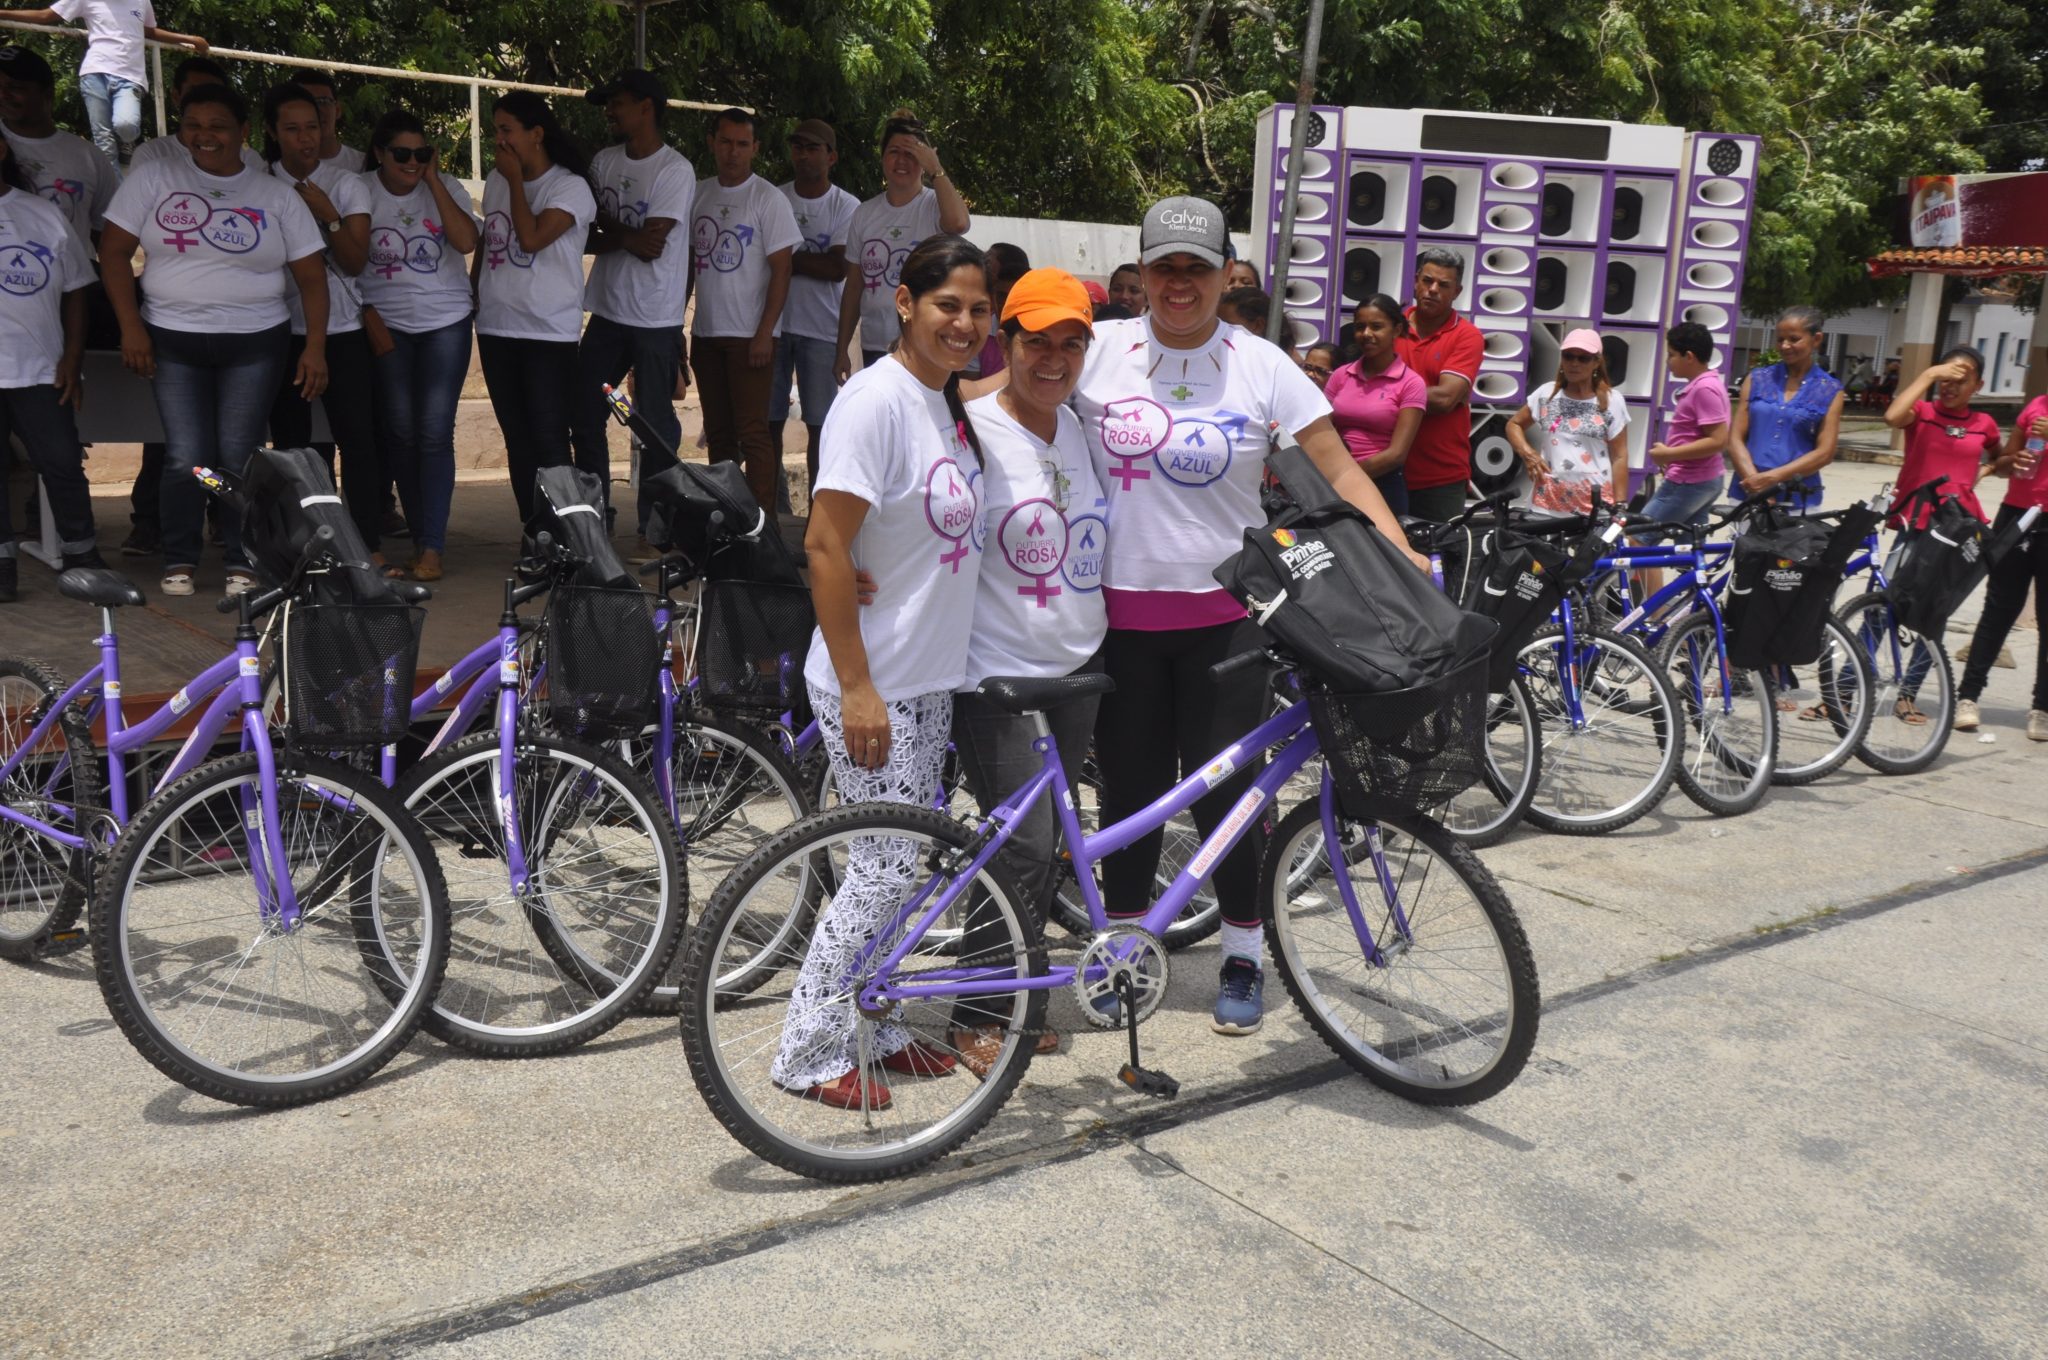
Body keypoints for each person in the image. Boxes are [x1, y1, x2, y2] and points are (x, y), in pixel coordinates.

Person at [1068, 196, 1422, 1036]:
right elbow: (1001, 406)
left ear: (1226, 273)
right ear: (1141, 271)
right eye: (1163, 267)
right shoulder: (1097, 351)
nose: (1178, 283)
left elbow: (1339, 472)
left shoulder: (1263, 365)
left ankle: (1241, 954)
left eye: (1196, 268)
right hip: (1116, 622)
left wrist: (1401, 550)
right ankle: (1126, 951)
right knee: (1129, 796)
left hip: (1228, 623)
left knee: (1229, 800)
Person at [776, 236, 992, 1110]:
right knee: (881, 870)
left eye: (978, 310)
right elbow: (825, 543)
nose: (964, 324)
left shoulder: (943, 400)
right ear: (904, 303)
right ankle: (807, 1048)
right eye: (948, 306)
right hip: (874, 681)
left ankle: (880, 1022)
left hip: (925, 678)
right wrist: (859, 686)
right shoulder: (874, 402)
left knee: (905, 865)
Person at [949, 267, 1108, 1073]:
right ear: (1003, 343)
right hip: (996, 675)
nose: (1053, 360)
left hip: (1075, 666)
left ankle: (1018, 995)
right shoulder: (970, 429)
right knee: (1022, 844)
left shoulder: (1076, 424)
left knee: (1046, 846)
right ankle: (979, 1010)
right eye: (1036, 342)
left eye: (1070, 344)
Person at [99, 82, 327, 599]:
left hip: (255, 342)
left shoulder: (274, 195)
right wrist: (131, 326)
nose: (204, 136)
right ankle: (180, 555)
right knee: (185, 456)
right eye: (193, 125)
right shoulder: (154, 178)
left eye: (217, 126)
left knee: (238, 453)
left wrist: (315, 346)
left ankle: (242, 557)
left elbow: (313, 278)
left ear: (243, 132)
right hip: (172, 339)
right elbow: (113, 253)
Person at [569, 69, 693, 544]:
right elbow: (590, 235)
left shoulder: (674, 170)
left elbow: (651, 246)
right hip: (607, 312)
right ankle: (595, 520)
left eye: (617, 103)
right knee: (585, 411)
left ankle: (654, 531)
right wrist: (625, 236)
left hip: (656, 320)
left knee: (653, 425)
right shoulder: (603, 161)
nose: (610, 111)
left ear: (646, 108)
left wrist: (611, 231)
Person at [262, 82, 381, 565]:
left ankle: (366, 546)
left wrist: (329, 215)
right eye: (292, 129)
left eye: (312, 127)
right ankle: (308, 546)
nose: (305, 138)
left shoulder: (347, 184)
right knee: (295, 447)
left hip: (343, 332)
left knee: (358, 440)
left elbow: (354, 262)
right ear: (273, 132)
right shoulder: (258, 182)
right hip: (280, 330)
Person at [357, 110, 478, 583]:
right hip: (387, 325)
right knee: (401, 432)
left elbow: (466, 241)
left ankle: (432, 546)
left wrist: (433, 182)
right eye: (402, 154)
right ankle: (420, 534)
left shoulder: (445, 186)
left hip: (445, 321)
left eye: (421, 153)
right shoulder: (360, 190)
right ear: (379, 154)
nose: (412, 162)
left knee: (434, 432)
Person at [476, 91, 595, 525]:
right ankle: (535, 533)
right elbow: (491, 240)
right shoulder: (496, 179)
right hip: (496, 327)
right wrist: (475, 294)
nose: (499, 141)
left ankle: (569, 534)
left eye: (507, 130)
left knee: (549, 438)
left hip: (547, 332)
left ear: (537, 134)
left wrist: (514, 183)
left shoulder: (569, 187)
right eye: (496, 131)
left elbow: (530, 238)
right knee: (518, 439)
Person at [0, 133, 98, 602]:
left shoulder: (42, 214)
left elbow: (77, 288)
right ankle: (3, 567)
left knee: (61, 463)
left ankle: (83, 558)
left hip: (40, 367)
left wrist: (72, 357)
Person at [689, 107, 799, 515]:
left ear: (755, 148)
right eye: (725, 142)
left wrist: (765, 332)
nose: (732, 152)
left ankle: (761, 524)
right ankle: (727, 519)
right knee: (719, 435)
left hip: (750, 336)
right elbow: (687, 264)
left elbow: (782, 269)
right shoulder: (698, 193)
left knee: (753, 433)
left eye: (742, 144)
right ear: (712, 143)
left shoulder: (768, 198)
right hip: (706, 333)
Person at [833, 110, 969, 377]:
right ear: (883, 157)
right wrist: (841, 349)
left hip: (925, 342)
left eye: (911, 153)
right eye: (894, 152)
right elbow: (854, 287)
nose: (901, 161)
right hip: (875, 343)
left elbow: (958, 224)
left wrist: (936, 169)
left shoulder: (934, 204)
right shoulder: (864, 213)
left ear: (924, 159)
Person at [0, 0, 205, 164]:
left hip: (130, 76)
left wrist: (190, 39)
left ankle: (127, 142)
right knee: (103, 142)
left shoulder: (141, 2)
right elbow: (45, 15)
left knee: (126, 125)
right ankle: (115, 192)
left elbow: (149, 32)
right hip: (95, 73)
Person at [1954, 390, 2048, 741]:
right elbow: (2004, 464)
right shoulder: (2036, 407)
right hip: (2017, 516)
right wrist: (2014, 459)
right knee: (1998, 609)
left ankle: (2042, 707)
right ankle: (1968, 697)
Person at [770, 116, 854, 506]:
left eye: (813, 148)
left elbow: (837, 268)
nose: (803, 155)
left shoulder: (845, 206)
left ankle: (818, 516)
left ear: (831, 157)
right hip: (773, 327)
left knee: (821, 427)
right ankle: (772, 510)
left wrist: (784, 258)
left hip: (822, 330)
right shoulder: (774, 198)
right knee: (768, 423)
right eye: (798, 147)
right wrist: (802, 260)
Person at [1728, 306, 1844, 514]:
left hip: (1798, 500)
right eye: (1780, 339)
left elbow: (1825, 453)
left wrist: (1772, 479)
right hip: (1747, 492)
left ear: (1816, 339)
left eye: (1794, 339)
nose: (1785, 345)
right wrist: (1756, 485)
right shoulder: (1757, 378)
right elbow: (1735, 438)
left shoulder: (1830, 389)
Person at [1395, 247, 1482, 521]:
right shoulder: (1389, 326)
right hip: (1384, 469)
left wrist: (1383, 393)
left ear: (1457, 291)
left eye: (1443, 285)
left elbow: (1444, 399)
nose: (1433, 290)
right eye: (1427, 281)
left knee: (1438, 550)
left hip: (1440, 479)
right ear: (1415, 281)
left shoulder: (1467, 336)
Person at [0, 45, 114, 249]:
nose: (3, 95)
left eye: (15, 87)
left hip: (74, 268)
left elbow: (105, 232)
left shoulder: (88, 156)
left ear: (48, 94)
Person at [1507, 327, 1630, 516]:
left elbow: (1619, 456)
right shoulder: (1546, 394)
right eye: (1568, 356)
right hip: (1546, 505)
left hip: (1595, 507)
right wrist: (1528, 454)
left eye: (1583, 358)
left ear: (1597, 362)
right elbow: (1514, 424)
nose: (1574, 363)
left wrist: (1620, 505)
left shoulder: (1612, 401)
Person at [1323, 294, 1423, 515]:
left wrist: (1349, 475)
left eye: (1376, 327)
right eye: (1360, 327)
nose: (1366, 334)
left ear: (1396, 330)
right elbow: (1322, 430)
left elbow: (1397, 454)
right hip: (1335, 481)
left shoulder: (1411, 383)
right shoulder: (1340, 375)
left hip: (1383, 486)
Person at [1883, 348, 1998, 529]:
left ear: (1978, 385)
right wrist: (1928, 375)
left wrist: (1985, 470)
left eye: (1961, 381)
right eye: (1945, 379)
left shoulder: (1984, 423)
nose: (1950, 387)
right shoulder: (1922, 412)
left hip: (1959, 520)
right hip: (1915, 517)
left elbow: (1999, 456)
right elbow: (1892, 417)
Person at [1641, 321, 1731, 525]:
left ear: (1689, 356)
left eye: (1671, 355)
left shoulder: (1704, 389)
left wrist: (1669, 454)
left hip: (1689, 480)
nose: (1668, 361)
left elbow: (1718, 441)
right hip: (1701, 478)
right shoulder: (1706, 385)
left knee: (1640, 534)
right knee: (1688, 540)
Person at [967, 240, 1028, 378]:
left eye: (988, 264)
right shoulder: (975, 329)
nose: (1006, 303)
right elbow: (967, 384)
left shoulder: (1047, 331)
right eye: (1001, 295)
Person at [283, 68, 360, 173]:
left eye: (323, 101)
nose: (316, 110)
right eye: (307, 102)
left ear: (337, 110)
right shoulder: (274, 170)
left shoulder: (362, 165)